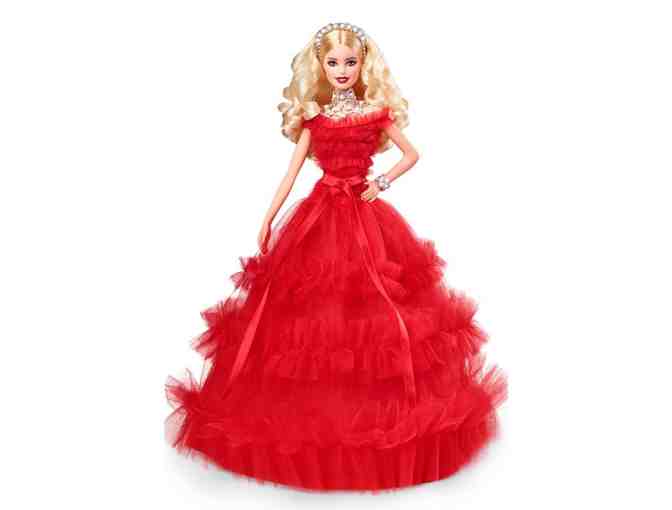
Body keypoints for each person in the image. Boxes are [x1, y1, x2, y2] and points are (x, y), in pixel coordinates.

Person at [165, 21, 508, 493]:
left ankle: (373, 414)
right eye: (333, 62)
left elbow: (411, 154)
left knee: (376, 314)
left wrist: (380, 182)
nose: (342, 70)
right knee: (309, 315)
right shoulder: (315, 118)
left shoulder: (375, 113)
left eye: (350, 61)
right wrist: (269, 216)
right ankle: (312, 413)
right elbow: (290, 173)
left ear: (363, 64)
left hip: (366, 217)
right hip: (319, 215)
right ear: (320, 67)